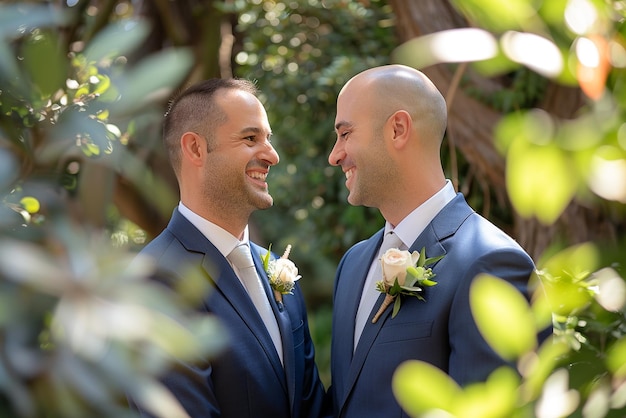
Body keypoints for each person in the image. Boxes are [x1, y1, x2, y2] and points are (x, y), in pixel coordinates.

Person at [327, 65, 537, 417]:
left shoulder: (491, 262)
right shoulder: (353, 265)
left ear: (397, 129)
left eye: (346, 133)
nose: (335, 155)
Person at [133, 78, 327, 417]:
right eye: (251, 138)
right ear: (195, 149)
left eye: (269, 139)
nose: (272, 155)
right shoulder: (157, 280)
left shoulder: (278, 271)